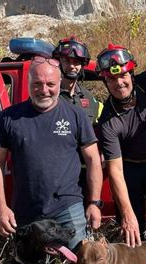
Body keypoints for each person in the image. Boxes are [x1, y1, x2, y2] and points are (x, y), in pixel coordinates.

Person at [0, 56, 103, 264]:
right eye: (37, 83)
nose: (44, 89)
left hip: (68, 207)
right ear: (29, 84)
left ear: (59, 83)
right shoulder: (9, 118)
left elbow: (93, 159)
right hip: (26, 212)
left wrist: (94, 202)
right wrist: (1, 208)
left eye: (50, 83)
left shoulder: (75, 115)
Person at [96, 43, 146, 247]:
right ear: (105, 81)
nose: (119, 83)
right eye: (111, 79)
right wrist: (127, 215)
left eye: (123, 75)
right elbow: (115, 170)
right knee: (133, 229)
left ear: (132, 74)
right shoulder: (108, 121)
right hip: (130, 171)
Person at [52, 36, 104, 194]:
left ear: (83, 65)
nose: (72, 66)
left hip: (84, 176)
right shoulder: (48, 95)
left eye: (77, 62)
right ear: (59, 62)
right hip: (55, 176)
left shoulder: (90, 99)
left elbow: (105, 127)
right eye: (67, 61)